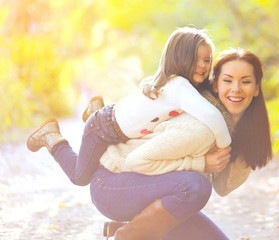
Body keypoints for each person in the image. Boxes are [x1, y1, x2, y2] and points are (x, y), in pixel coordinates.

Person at [91, 48, 272, 239]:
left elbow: (223, 187)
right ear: (216, 85)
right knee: (197, 187)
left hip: (159, 193)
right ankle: (129, 235)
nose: (236, 88)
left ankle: (139, 228)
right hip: (112, 185)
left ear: (257, 88)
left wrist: (244, 141)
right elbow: (137, 161)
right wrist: (201, 163)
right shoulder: (201, 126)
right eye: (228, 80)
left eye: (246, 81)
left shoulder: (228, 128)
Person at [26, 27, 232, 186]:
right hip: (102, 130)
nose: (204, 65)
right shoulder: (179, 86)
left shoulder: (171, 82)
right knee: (80, 177)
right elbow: (211, 115)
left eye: (207, 60)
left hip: (113, 120)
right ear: (179, 58)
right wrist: (224, 145)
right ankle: (52, 137)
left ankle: (95, 111)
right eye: (196, 59)